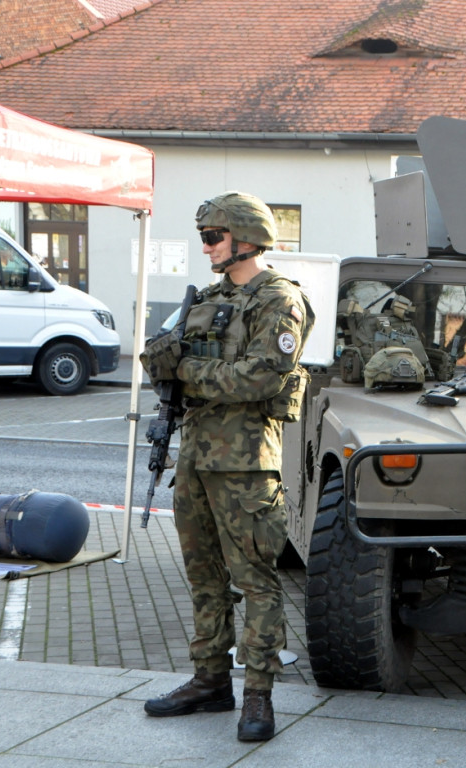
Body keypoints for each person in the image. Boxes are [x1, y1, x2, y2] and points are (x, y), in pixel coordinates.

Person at [139, 192, 314, 741]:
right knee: (204, 578)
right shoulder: (207, 298)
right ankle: (210, 680)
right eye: (205, 238)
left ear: (245, 239)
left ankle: (258, 696)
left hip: (244, 465)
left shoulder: (280, 301)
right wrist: (162, 357)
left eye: (214, 237)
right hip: (194, 457)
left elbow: (260, 376)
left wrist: (186, 368)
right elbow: (158, 353)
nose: (207, 247)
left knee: (256, 580)